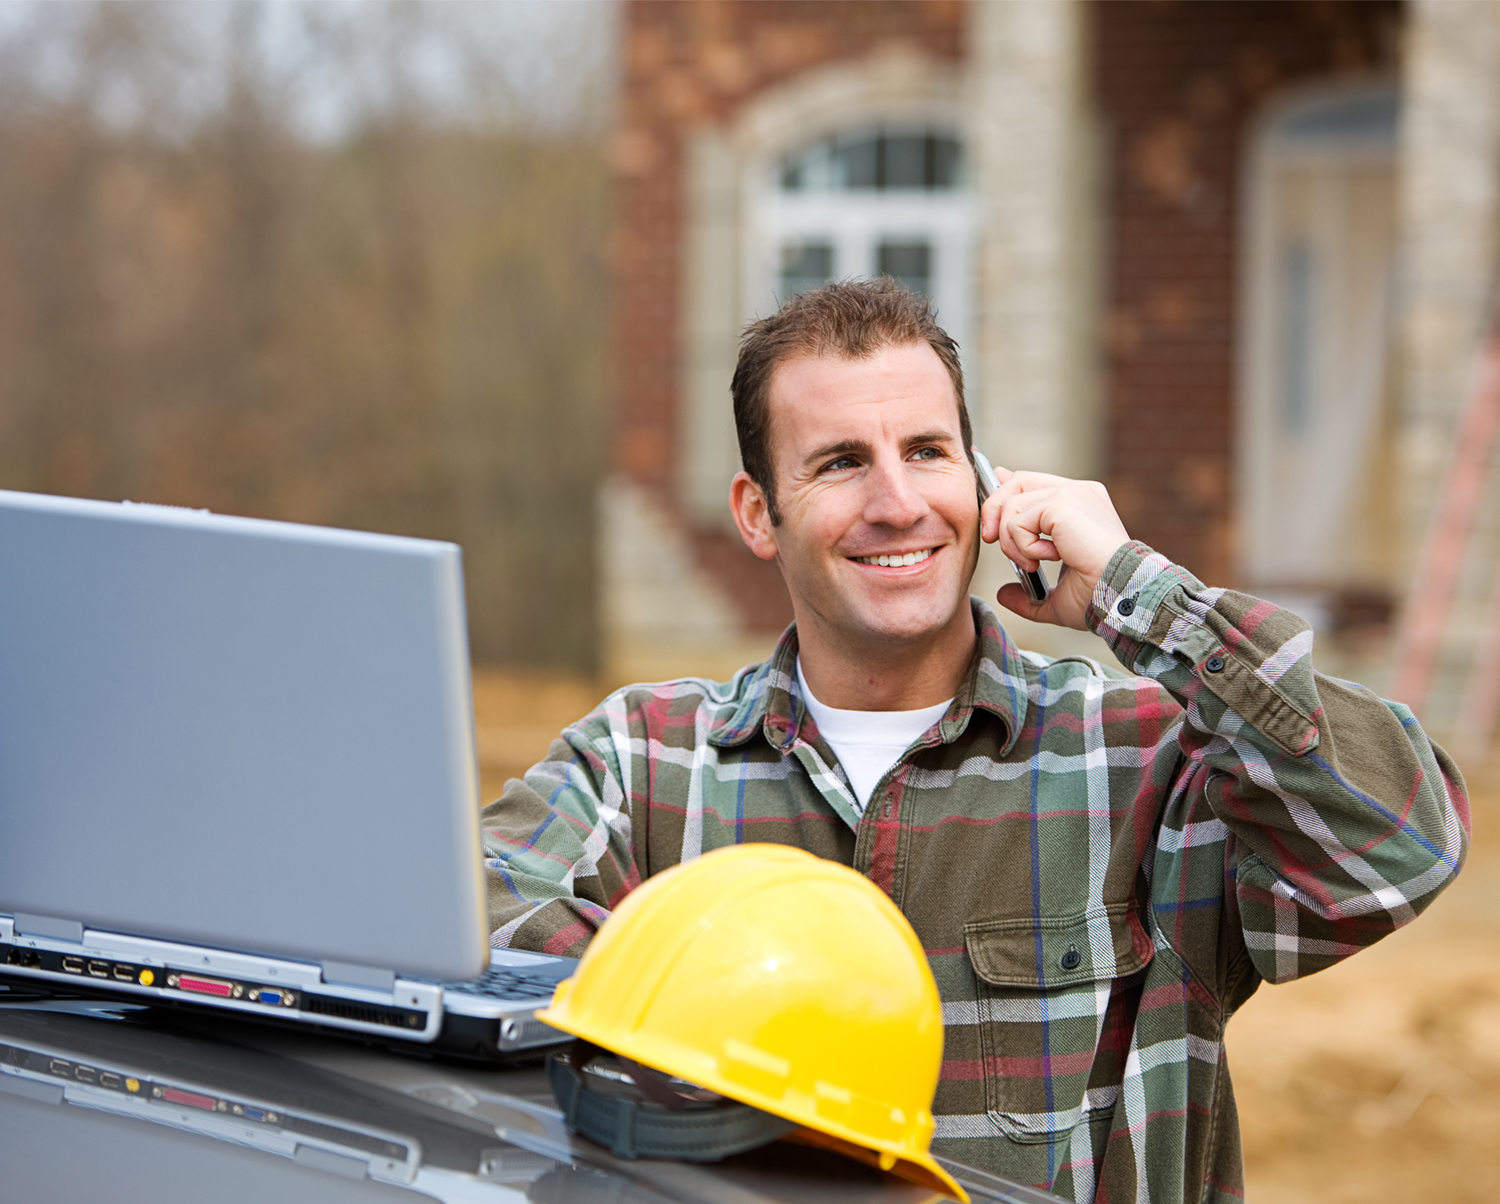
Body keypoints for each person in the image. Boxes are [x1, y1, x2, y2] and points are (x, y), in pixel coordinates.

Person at [479, 279, 1469, 1203]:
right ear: (758, 513)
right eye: (840, 463)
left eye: (926, 451)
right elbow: (460, 921)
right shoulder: (644, 759)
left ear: (984, 482)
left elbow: (1398, 844)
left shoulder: (1146, 763)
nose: (898, 502)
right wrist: (696, 987)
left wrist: (1143, 596)